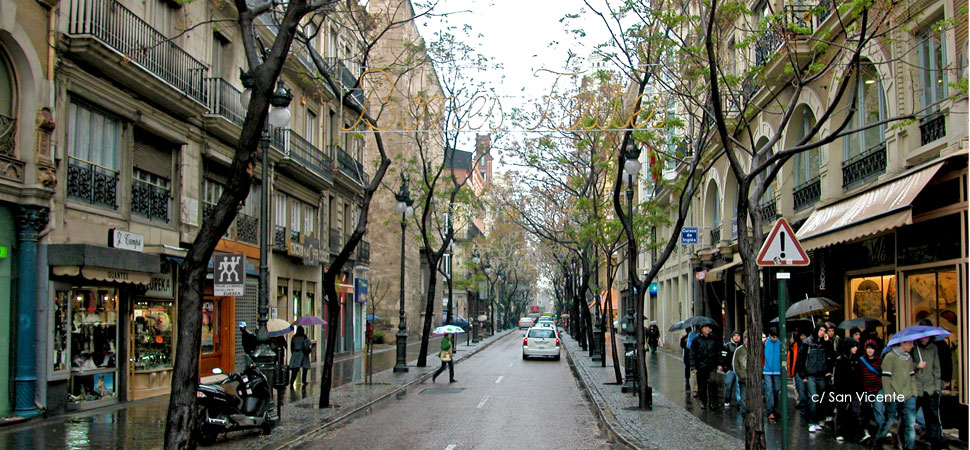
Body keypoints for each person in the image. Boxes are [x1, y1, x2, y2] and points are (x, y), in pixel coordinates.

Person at [875, 340, 919, 450]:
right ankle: (878, 440)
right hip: (894, 395)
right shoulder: (890, 357)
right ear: (902, 343)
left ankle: (909, 447)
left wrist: (914, 392)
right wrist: (888, 395)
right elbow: (885, 378)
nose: (912, 346)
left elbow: (911, 376)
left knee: (910, 424)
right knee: (889, 420)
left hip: (908, 395)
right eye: (909, 343)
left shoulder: (908, 358)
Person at [797, 323, 834, 432]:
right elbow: (801, 360)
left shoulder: (825, 343)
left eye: (824, 330)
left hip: (821, 374)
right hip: (811, 374)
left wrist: (828, 343)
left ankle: (818, 420)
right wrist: (803, 375)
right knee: (813, 398)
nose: (822, 332)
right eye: (821, 330)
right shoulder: (807, 343)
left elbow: (832, 355)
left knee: (821, 399)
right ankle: (811, 421)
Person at [913, 332, 943, 450]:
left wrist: (936, 388)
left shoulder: (933, 348)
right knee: (909, 416)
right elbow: (907, 364)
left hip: (930, 389)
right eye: (922, 336)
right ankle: (905, 441)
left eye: (926, 337)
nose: (924, 339)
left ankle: (935, 444)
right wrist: (917, 366)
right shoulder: (914, 347)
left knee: (932, 419)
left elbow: (936, 368)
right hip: (916, 388)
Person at [833, 338, 863, 442]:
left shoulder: (856, 360)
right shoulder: (841, 360)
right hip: (843, 390)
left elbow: (859, 376)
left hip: (854, 390)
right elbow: (837, 378)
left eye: (856, 346)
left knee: (856, 411)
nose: (856, 349)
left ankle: (857, 434)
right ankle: (839, 432)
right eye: (853, 346)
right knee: (841, 410)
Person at [690, 323, 719, 410]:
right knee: (702, 385)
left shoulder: (713, 338)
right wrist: (693, 366)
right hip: (701, 366)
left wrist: (719, 363)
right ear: (702, 329)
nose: (707, 329)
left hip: (711, 365)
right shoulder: (696, 339)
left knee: (713, 383)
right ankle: (703, 401)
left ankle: (712, 402)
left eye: (709, 327)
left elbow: (717, 350)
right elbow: (692, 354)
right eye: (706, 327)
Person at [763, 328, 782, 421]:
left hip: (777, 370)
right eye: (773, 337)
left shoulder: (780, 343)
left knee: (776, 389)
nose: (775, 339)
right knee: (769, 389)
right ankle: (770, 410)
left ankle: (773, 407)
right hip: (766, 369)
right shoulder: (765, 342)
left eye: (776, 337)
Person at [720, 330, 742, 408]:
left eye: (738, 336)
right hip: (730, 369)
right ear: (732, 337)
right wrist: (725, 369)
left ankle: (739, 402)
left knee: (738, 387)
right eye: (735, 336)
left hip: (738, 370)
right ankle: (727, 400)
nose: (736, 337)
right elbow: (723, 358)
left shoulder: (741, 347)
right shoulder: (727, 346)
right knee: (728, 385)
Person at [788, 329, 808, 412]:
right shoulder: (795, 345)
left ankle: (803, 406)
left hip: (801, 369)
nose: (803, 337)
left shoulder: (803, 345)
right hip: (797, 370)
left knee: (802, 389)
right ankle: (803, 406)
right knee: (800, 388)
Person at [733, 333, 749, 413]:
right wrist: (740, 374)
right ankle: (743, 413)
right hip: (742, 379)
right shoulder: (739, 350)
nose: (747, 340)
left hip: (752, 379)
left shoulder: (754, 349)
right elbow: (735, 364)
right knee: (744, 397)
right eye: (746, 338)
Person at [680, 327, 693, 392]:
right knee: (687, 367)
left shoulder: (694, 337)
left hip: (692, 354)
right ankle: (687, 377)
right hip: (687, 354)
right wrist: (685, 342)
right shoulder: (684, 338)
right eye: (688, 330)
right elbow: (682, 346)